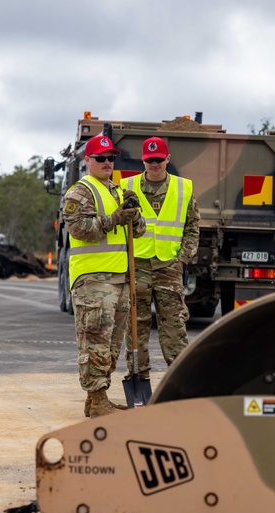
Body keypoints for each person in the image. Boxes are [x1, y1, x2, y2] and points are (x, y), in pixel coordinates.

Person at [61, 135, 145, 417]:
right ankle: (98, 400)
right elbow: (79, 229)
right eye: (101, 158)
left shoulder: (118, 191)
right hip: (93, 278)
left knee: (111, 342)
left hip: (120, 277)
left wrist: (135, 213)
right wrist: (116, 219)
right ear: (88, 161)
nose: (107, 162)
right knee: (95, 340)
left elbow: (139, 230)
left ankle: (97, 397)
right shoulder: (79, 192)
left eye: (111, 158)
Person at [120, 136, 199, 385]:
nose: (154, 164)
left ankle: (180, 380)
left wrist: (183, 259)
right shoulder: (126, 186)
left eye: (158, 159)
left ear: (168, 159)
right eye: (149, 160)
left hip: (169, 268)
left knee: (174, 326)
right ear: (143, 160)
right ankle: (138, 377)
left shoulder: (183, 187)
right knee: (136, 326)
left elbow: (193, 226)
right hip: (137, 267)